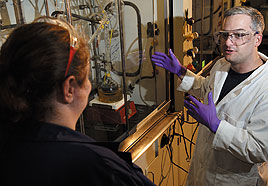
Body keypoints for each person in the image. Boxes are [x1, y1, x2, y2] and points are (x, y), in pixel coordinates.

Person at [0, 17, 155, 186]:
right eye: (87, 77)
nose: (90, 85)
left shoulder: (10, 148)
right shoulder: (101, 168)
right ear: (69, 89)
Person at [152, 6, 268, 186]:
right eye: (225, 35)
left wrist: (217, 125)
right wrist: (181, 71)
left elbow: (258, 150)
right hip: (203, 171)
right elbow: (206, 88)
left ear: (257, 38)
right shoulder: (221, 65)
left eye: (239, 35)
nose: (228, 42)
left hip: (234, 180)